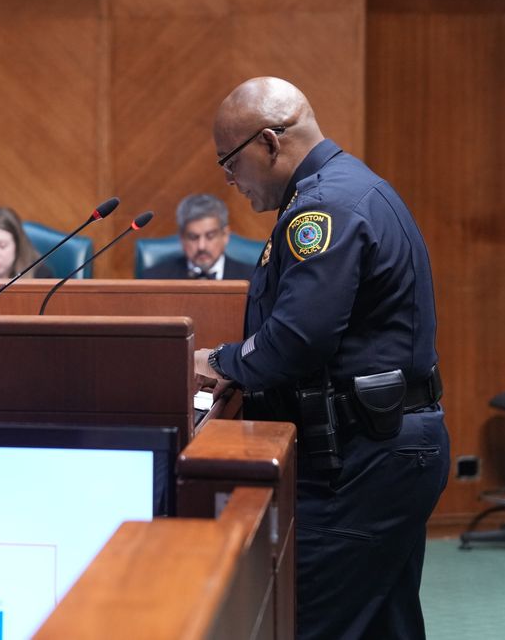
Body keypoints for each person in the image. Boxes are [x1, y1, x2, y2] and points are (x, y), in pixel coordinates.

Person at [192, 77, 448, 639]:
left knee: (305, 623)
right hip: (384, 446)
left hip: (363, 459)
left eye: (228, 162)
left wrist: (222, 361)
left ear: (268, 142)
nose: (228, 179)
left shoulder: (323, 208)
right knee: (385, 624)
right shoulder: (338, 191)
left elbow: (298, 339)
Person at [143, 193, 252, 280]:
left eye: (210, 236)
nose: (201, 246)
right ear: (181, 238)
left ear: (225, 235)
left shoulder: (252, 279)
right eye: (193, 237)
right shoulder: (154, 278)